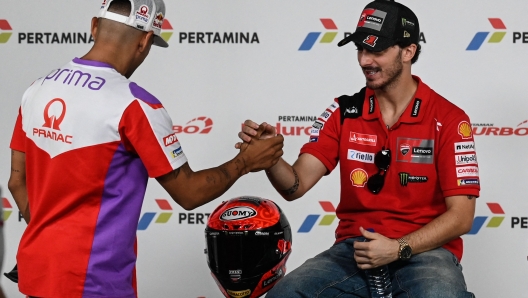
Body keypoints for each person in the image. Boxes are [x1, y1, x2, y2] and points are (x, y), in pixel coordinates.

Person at [7, 0, 283, 297]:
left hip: (37, 272)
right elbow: (189, 193)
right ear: (145, 41)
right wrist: (245, 162)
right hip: (93, 282)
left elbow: (16, 181)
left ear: (94, 26)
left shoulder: (37, 89)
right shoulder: (135, 105)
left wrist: (51, 241)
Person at [237, 0, 480, 297]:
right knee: (285, 294)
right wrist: (271, 157)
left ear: (408, 51)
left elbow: (462, 217)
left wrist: (398, 248)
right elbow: (295, 186)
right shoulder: (343, 111)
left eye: (376, 50)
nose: (365, 60)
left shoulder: (450, 119)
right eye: (360, 49)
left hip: (425, 251)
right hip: (355, 251)